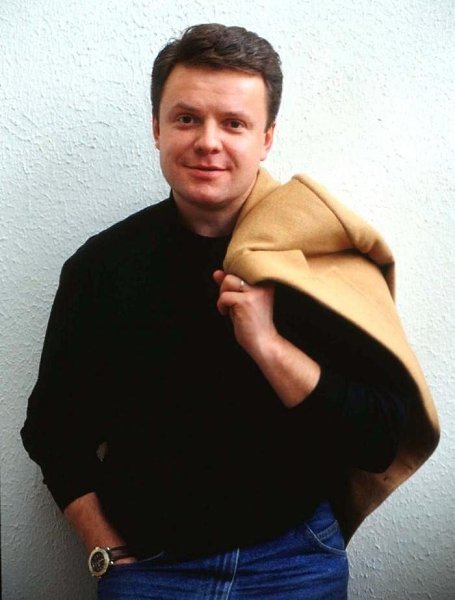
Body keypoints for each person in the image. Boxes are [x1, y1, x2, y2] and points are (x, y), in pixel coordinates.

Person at [21, 23, 439, 599]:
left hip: (295, 564)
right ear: (157, 128)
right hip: (151, 570)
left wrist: (270, 346)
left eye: (234, 123)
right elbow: (53, 432)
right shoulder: (101, 266)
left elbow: (379, 439)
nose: (208, 141)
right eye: (187, 118)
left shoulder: (322, 260)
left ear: (266, 138)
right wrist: (107, 552)